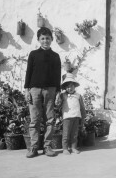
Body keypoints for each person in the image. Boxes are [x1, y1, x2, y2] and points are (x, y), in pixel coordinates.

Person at [24, 27, 61, 158]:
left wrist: (58, 92)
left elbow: (58, 75)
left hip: (50, 90)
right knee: (34, 120)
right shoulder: (33, 54)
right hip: (34, 90)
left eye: (48, 38)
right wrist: (27, 90)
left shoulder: (56, 56)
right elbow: (28, 73)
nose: (45, 40)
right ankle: (33, 147)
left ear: (51, 39)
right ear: (39, 40)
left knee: (50, 119)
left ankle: (47, 146)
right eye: (43, 38)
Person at [56, 73, 86, 154]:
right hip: (67, 117)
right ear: (65, 87)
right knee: (66, 134)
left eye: (72, 86)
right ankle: (65, 148)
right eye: (68, 86)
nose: (70, 88)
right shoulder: (63, 95)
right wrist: (58, 95)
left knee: (74, 134)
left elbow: (82, 107)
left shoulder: (78, 96)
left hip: (76, 117)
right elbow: (58, 105)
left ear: (74, 86)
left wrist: (83, 116)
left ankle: (73, 147)